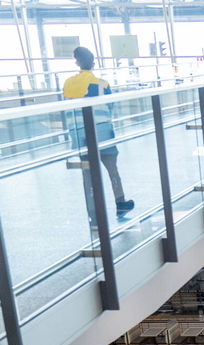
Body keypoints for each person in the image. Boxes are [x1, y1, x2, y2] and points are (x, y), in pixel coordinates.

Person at [63, 46, 134, 219]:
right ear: (93, 63)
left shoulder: (68, 83)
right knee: (112, 169)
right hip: (102, 133)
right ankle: (120, 203)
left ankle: (93, 213)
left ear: (77, 62)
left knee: (88, 175)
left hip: (79, 136)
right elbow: (110, 106)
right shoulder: (102, 84)